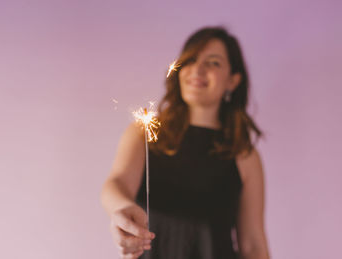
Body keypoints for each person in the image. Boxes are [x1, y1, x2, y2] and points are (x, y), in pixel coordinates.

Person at [100, 26, 270, 259]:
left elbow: (253, 245)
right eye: (190, 60)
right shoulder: (144, 134)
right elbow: (116, 183)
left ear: (233, 80)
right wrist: (121, 209)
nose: (197, 69)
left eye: (213, 63)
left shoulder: (244, 155)